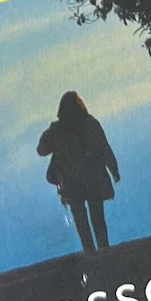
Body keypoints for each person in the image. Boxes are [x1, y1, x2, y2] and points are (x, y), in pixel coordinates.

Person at [36, 90, 120, 253]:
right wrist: (114, 170)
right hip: (93, 178)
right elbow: (104, 148)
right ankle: (104, 250)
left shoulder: (57, 129)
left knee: (81, 220)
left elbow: (41, 149)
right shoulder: (91, 123)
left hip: (71, 181)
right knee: (97, 217)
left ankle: (90, 252)